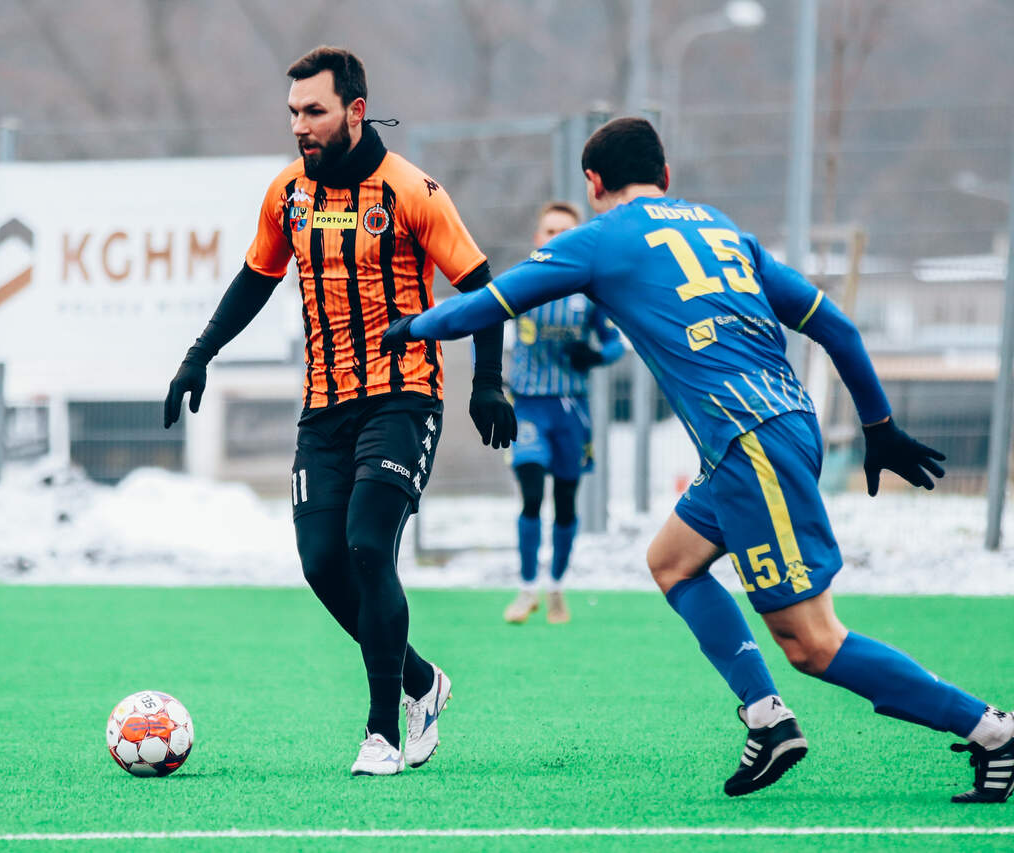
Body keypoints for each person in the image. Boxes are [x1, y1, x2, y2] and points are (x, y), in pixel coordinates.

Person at [383, 117, 1012, 803]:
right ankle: (767, 717)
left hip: (751, 442)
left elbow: (487, 302)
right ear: (666, 175)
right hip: (776, 427)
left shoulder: (600, 238)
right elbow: (836, 326)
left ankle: (991, 730)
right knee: (672, 561)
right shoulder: (721, 228)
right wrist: (879, 427)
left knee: (812, 643)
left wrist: (411, 326)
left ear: (593, 182)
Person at [162, 46, 516, 777]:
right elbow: (255, 278)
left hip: (402, 395)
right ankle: (422, 680)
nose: (300, 125)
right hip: (322, 406)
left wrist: (488, 382)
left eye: (315, 111)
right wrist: (200, 353)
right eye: (294, 112)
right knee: (322, 563)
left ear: (355, 111)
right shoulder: (288, 193)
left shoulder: (411, 190)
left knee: (366, 546)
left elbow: (481, 285)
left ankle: (382, 731)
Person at [503, 201, 623, 625]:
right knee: (532, 494)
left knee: (566, 502)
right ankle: (526, 588)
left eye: (565, 231)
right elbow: (486, 320)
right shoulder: (521, 284)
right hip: (528, 405)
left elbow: (615, 343)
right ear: (538, 238)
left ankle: (556, 586)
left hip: (572, 409)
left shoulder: (590, 291)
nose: (557, 237)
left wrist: (595, 355)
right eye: (550, 231)